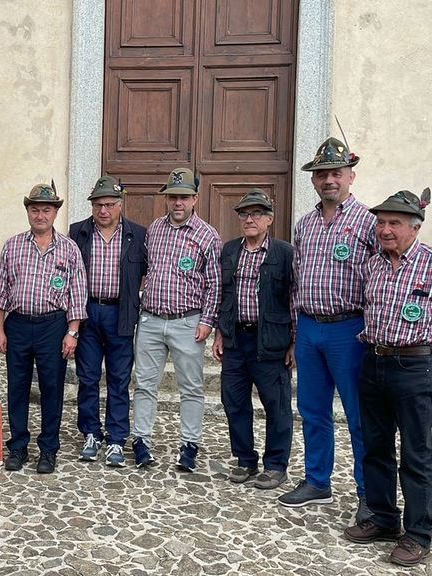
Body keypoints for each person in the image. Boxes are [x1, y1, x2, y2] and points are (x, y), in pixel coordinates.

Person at [343, 189, 432, 567]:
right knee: (375, 446)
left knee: (416, 453)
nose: (385, 229)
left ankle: (417, 535)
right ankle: (383, 518)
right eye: (381, 222)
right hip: (373, 360)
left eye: (394, 223)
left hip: (413, 367)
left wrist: (428, 356)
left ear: (415, 227)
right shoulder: (372, 264)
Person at [279, 138, 377, 520]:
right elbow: (296, 282)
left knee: (359, 417)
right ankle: (317, 481)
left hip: (349, 330)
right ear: (313, 181)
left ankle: (369, 494)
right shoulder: (304, 225)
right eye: (321, 174)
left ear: (351, 176)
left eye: (336, 172)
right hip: (309, 328)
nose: (329, 180)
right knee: (312, 410)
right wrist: (294, 334)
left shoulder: (369, 223)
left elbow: (380, 280)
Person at [0, 182, 87, 474]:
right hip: (18, 324)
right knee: (17, 387)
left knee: (51, 388)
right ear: (28, 212)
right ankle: (18, 446)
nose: (40, 215)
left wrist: (72, 332)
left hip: (53, 326)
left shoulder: (69, 249)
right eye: (35, 210)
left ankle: (48, 450)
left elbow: (77, 293)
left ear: (55, 213)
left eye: (46, 210)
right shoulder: (13, 245)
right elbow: (1, 291)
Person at [131, 168, 221, 472]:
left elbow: (215, 284)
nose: (178, 202)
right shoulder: (154, 229)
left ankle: (189, 444)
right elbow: (145, 269)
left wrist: (207, 321)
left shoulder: (207, 235)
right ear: (166, 199)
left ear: (195, 198)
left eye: (183, 197)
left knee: (191, 387)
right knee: (144, 384)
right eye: (172, 197)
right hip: (151, 320)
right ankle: (141, 440)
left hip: (187, 322)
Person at [212, 189, 294, 489]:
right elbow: (223, 294)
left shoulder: (284, 253)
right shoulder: (229, 250)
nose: (249, 219)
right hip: (236, 339)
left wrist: (294, 341)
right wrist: (220, 331)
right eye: (244, 214)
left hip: (270, 340)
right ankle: (245, 459)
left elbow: (294, 298)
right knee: (233, 401)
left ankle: (275, 465)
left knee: (276, 405)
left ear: (269, 219)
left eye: (256, 214)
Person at [68, 175, 147, 467]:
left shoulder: (138, 234)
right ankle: (90, 433)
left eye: (109, 204)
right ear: (92, 206)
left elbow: (149, 270)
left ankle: (116, 437)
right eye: (98, 205)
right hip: (87, 312)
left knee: (119, 379)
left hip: (120, 313)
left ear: (120, 204)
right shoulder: (77, 232)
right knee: (88, 377)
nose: (103, 210)